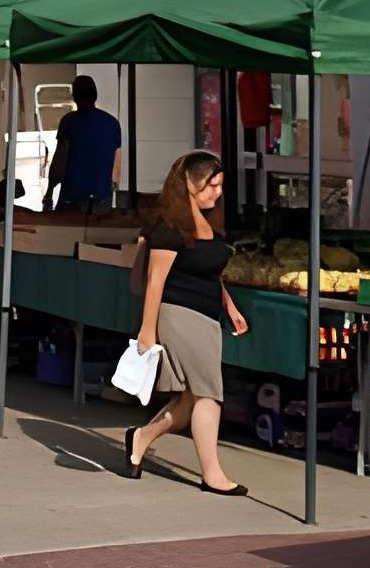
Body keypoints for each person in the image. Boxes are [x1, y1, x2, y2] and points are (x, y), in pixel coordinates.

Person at [122, 150, 249, 495]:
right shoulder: (168, 228)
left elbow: (209, 274)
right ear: (190, 183)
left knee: (189, 400)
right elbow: (155, 282)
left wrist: (230, 307)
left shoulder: (209, 223)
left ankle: (140, 438)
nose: (218, 193)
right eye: (211, 185)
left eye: (220, 185)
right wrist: (147, 331)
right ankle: (212, 474)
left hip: (208, 317)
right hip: (179, 314)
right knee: (209, 395)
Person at [45, 75, 123, 212]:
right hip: (102, 199)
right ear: (95, 95)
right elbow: (116, 167)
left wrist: (49, 193)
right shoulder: (112, 123)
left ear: (74, 96)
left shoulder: (69, 122)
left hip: (73, 198)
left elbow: (60, 160)